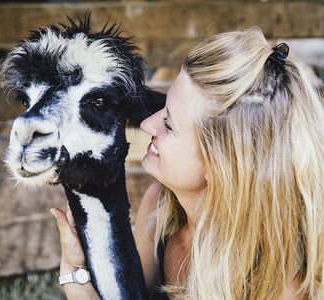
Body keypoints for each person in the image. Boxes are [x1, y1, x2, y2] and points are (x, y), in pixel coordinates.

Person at [50, 27, 324, 300]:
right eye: (163, 108)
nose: (147, 124)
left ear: (220, 166)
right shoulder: (160, 207)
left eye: (169, 124)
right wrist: (75, 275)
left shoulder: (280, 284)